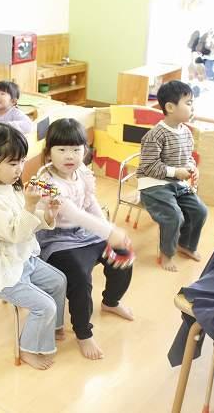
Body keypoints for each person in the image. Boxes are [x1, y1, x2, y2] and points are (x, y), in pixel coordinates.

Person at [0, 122, 66, 370]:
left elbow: (24, 222)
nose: (20, 168)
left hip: (20, 259)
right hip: (1, 270)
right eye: (12, 163)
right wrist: (30, 205)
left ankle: (49, 327)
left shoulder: (9, 186)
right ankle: (28, 348)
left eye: (22, 161)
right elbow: (16, 233)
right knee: (45, 306)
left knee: (58, 280)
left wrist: (47, 215)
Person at [35, 118, 134, 361]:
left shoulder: (83, 173)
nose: (69, 156)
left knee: (122, 254)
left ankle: (111, 301)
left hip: (84, 233)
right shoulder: (45, 181)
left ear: (85, 150)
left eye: (76, 149)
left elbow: (90, 204)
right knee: (80, 276)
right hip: (57, 240)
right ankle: (83, 332)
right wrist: (109, 232)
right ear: (48, 153)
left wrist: (109, 231)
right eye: (61, 149)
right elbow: (73, 213)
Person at [136, 80, 207, 272]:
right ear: (170, 107)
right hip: (153, 185)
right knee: (174, 216)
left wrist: (192, 168)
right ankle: (166, 254)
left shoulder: (186, 133)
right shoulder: (155, 135)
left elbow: (188, 157)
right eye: (188, 103)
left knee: (200, 210)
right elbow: (149, 166)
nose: (192, 107)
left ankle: (186, 245)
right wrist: (176, 172)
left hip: (177, 184)